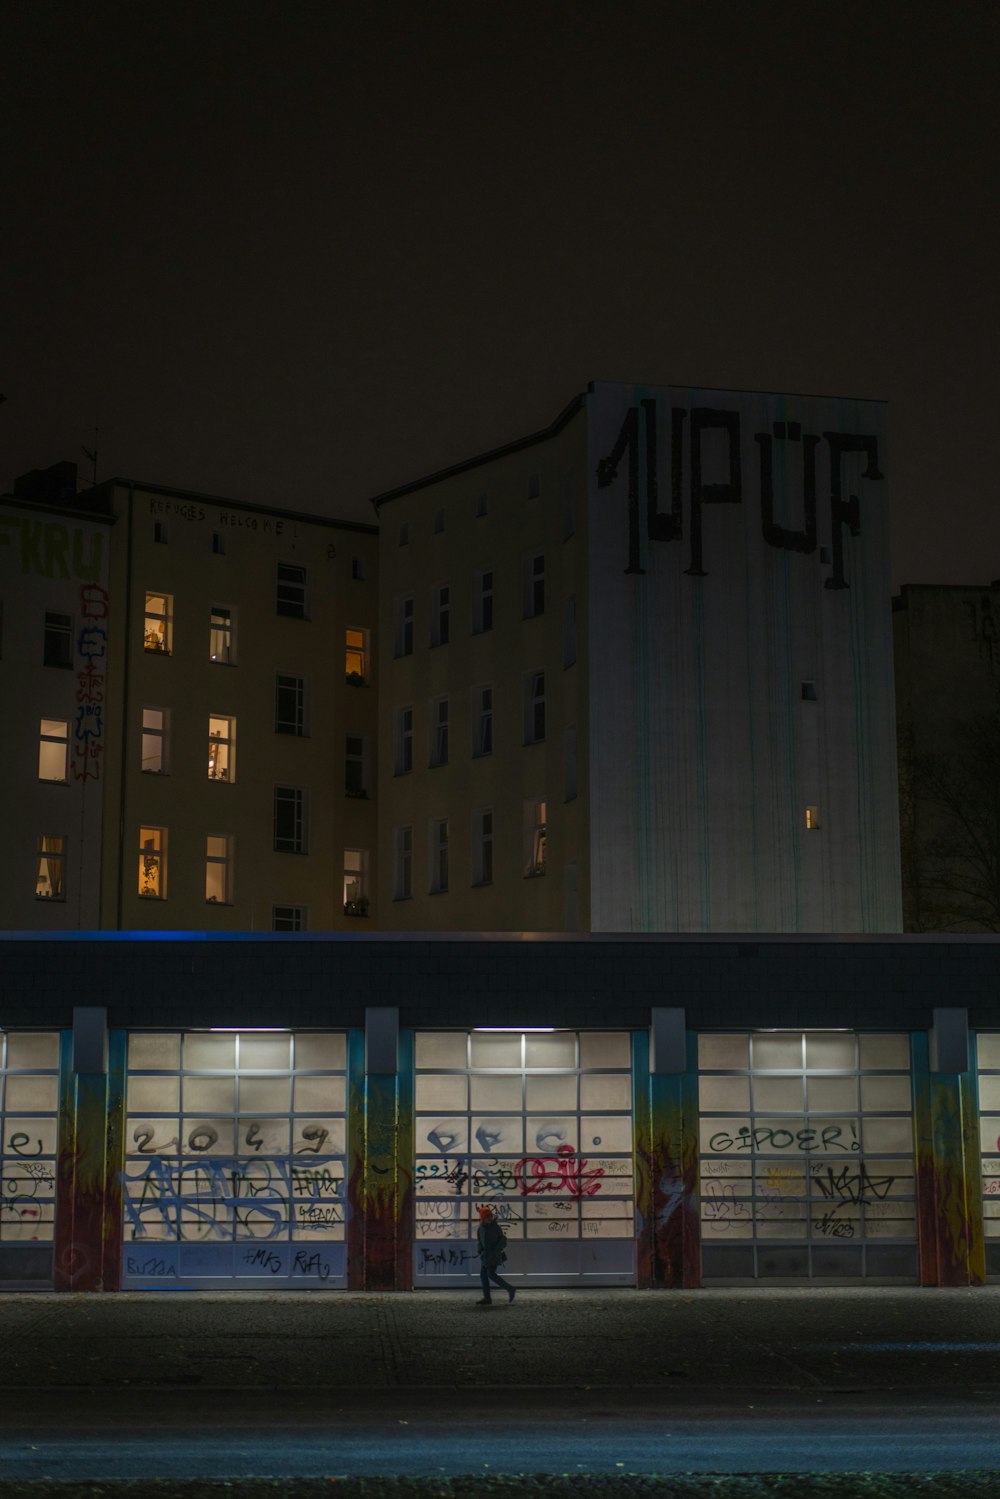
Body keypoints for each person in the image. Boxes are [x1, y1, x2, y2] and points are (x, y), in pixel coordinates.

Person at [475, 1204, 515, 1306]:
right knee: (484, 1275)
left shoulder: (495, 1227)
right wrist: (481, 1251)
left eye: (489, 1216)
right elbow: (479, 1242)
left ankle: (510, 1289)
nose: (489, 1218)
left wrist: (495, 1250)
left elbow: (503, 1240)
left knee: (490, 1274)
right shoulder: (481, 1228)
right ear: (483, 1218)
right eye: (486, 1216)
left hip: (493, 1255)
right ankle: (487, 1298)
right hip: (485, 1256)